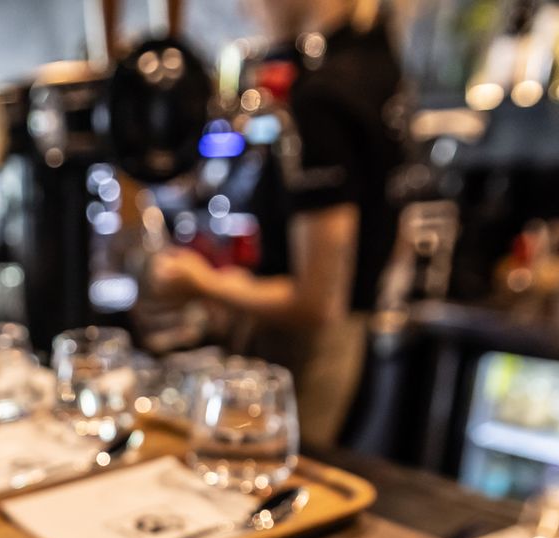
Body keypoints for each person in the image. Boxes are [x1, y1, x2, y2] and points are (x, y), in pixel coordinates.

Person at [147, 0, 403, 449]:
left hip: (311, 355)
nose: (245, 8)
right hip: (358, 340)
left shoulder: (322, 99)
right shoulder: (378, 65)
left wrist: (202, 281)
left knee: (262, 475)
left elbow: (317, 301)